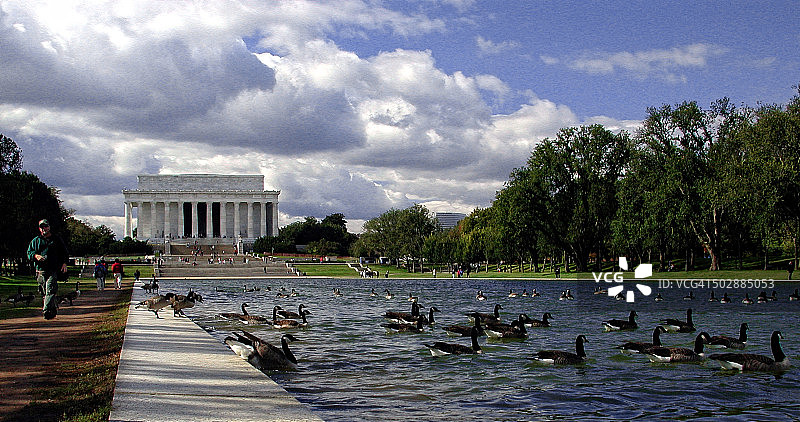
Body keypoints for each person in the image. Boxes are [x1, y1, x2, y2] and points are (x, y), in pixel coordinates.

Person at [26, 219, 69, 320]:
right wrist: (36, 256)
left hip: (53, 269)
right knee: (43, 292)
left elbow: (64, 252)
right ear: (39, 228)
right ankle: (52, 309)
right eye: (42, 227)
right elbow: (29, 253)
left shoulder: (56, 239)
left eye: (45, 226)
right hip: (40, 270)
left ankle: (46, 310)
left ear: (49, 227)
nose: (44, 229)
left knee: (50, 289)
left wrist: (64, 263)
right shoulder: (36, 241)